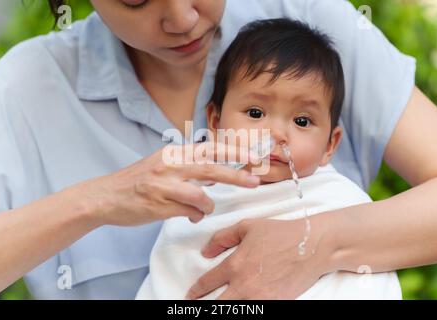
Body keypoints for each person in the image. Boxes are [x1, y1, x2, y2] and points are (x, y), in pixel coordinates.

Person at [0, 0, 437, 300]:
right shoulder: (22, 91)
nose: (182, 18)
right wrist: (101, 201)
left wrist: (314, 244)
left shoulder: (307, 20)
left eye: (302, 121)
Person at [136, 18, 401, 300]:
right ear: (214, 121)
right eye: (255, 113)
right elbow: (169, 279)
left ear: (329, 145)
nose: (277, 133)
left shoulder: (341, 202)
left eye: (302, 120)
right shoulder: (195, 199)